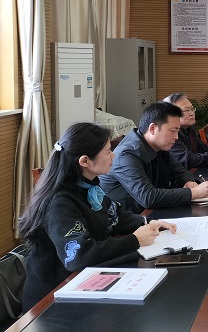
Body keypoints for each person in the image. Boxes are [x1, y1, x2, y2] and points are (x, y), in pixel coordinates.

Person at [19, 122, 176, 311]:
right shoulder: (59, 202)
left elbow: (116, 216)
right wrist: (134, 240)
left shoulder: (87, 185)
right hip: (52, 299)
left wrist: (148, 223)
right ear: (85, 161)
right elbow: (79, 256)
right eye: (108, 151)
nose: (113, 155)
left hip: (82, 281)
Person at [100, 102, 208, 213]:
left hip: (149, 212)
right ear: (153, 128)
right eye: (172, 131)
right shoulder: (127, 155)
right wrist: (193, 193)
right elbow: (148, 197)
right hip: (126, 218)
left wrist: (188, 182)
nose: (176, 137)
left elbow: (179, 170)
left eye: (178, 131)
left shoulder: (158, 145)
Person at [163, 92, 208, 168]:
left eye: (192, 109)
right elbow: (188, 160)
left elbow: (202, 148)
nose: (192, 113)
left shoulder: (189, 128)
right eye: (186, 110)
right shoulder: (170, 134)